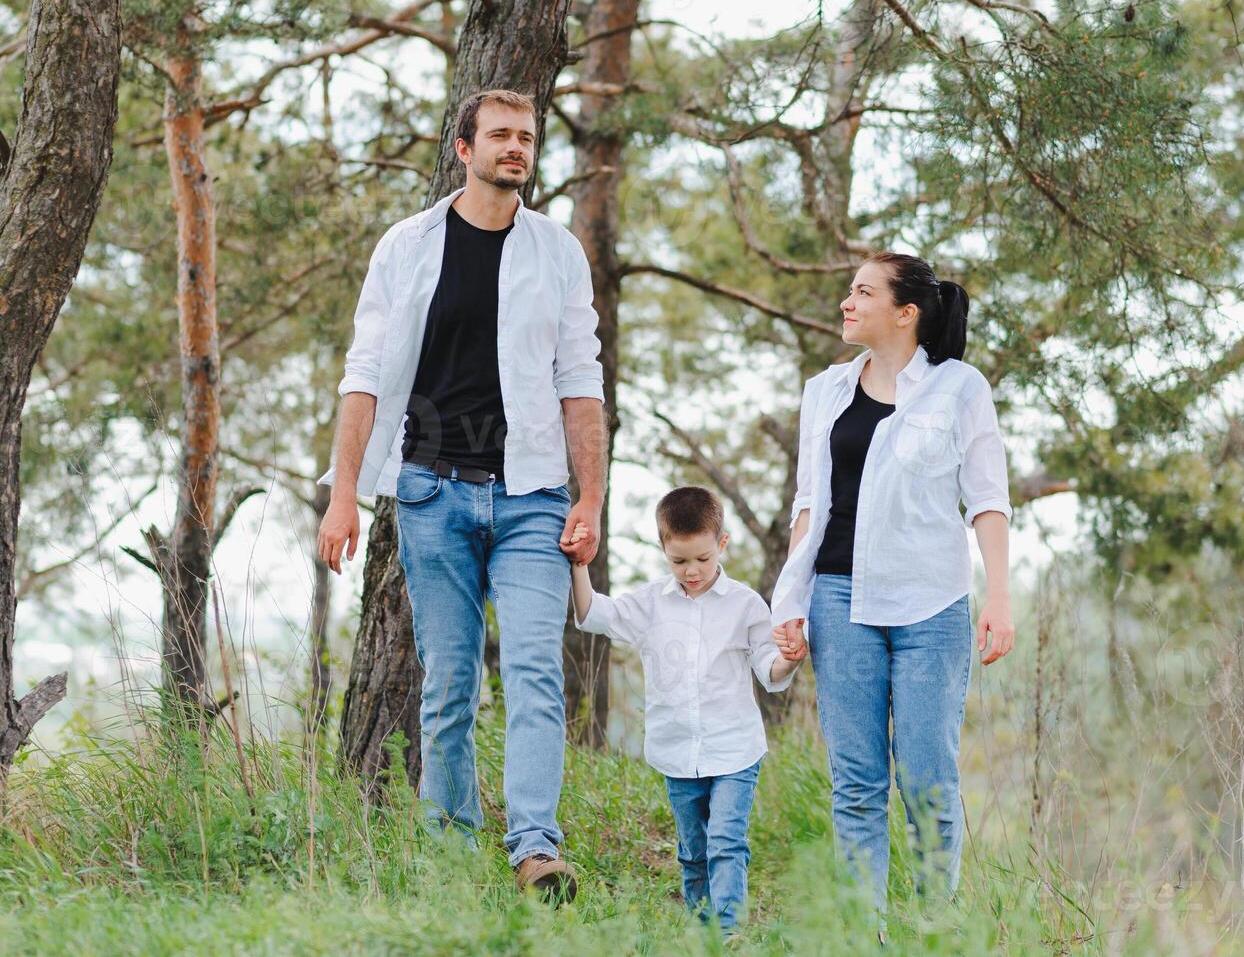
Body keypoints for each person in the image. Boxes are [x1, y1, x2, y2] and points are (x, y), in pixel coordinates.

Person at [315, 89, 606, 903]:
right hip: (429, 493)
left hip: (533, 497)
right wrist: (344, 496)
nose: (516, 148)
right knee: (446, 682)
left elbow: (580, 381)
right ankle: (447, 851)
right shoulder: (405, 247)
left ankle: (535, 850)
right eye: (501, 136)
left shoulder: (557, 252)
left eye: (527, 137)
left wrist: (591, 498)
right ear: (463, 148)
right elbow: (364, 377)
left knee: (534, 673)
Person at [770, 252, 1013, 933]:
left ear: (905, 313)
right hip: (838, 600)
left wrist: (997, 598)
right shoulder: (824, 390)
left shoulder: (959, 389)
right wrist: (789, 603)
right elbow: (808, 504)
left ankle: (935, 930)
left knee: (927, 780)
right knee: (856, 785)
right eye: (850, 291)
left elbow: (987, 501)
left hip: (930, 607)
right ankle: (861, 936)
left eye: (862, 292)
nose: (847, 303)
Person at [565, 487, 803, 937]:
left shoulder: (746, 605)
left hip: (735, 750)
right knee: (693, 850)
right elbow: (592, 612)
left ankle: (730, 933)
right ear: (663, 550)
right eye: (679, 561)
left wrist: (790, 657)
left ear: (723, 545)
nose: (691, 571)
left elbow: (770, 669)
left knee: (726, 842)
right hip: (677, 750)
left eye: (702, 559)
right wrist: (580, 566)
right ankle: (701, 929)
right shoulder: (651, 603)